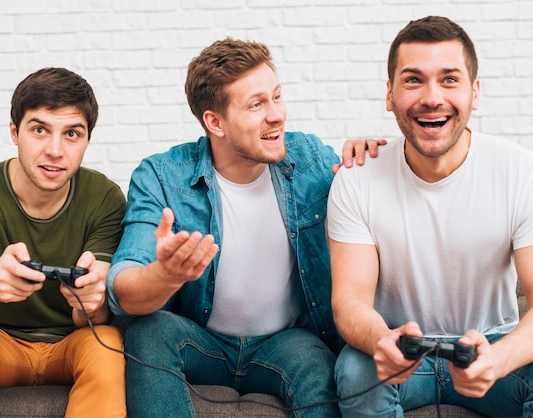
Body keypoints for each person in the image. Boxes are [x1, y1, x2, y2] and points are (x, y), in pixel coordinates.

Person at [105, 37, 382, 418]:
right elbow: (123, 287)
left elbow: (372, 213)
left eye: (277, 97)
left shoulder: (312, 159)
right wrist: (165, 276)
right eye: (257, 104)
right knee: (146, 334)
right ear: (214, 122)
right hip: (202, 340)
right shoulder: (162, 176)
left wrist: (376, 164)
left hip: (286, 342)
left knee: (317, 364)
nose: (277, 115)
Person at [328, 15, 533, 417]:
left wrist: (500, 359)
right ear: (390, 95)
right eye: (413, 80)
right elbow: (349, 301)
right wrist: (381, 341)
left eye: (449, 79)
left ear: (475, 92)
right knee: (355, 372)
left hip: (492, 346)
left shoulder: (524, 172)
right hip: (400, 353)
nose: (431, 97)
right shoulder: (357, 178)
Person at [0, 67, 127, 417]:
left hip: (72, 343)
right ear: (15, 131)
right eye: (40, 130)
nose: (55, 150)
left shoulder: (105, 198)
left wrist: (90, 298)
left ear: (88, 140)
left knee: (109, 346)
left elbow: (97, 318)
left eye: (72, 133)